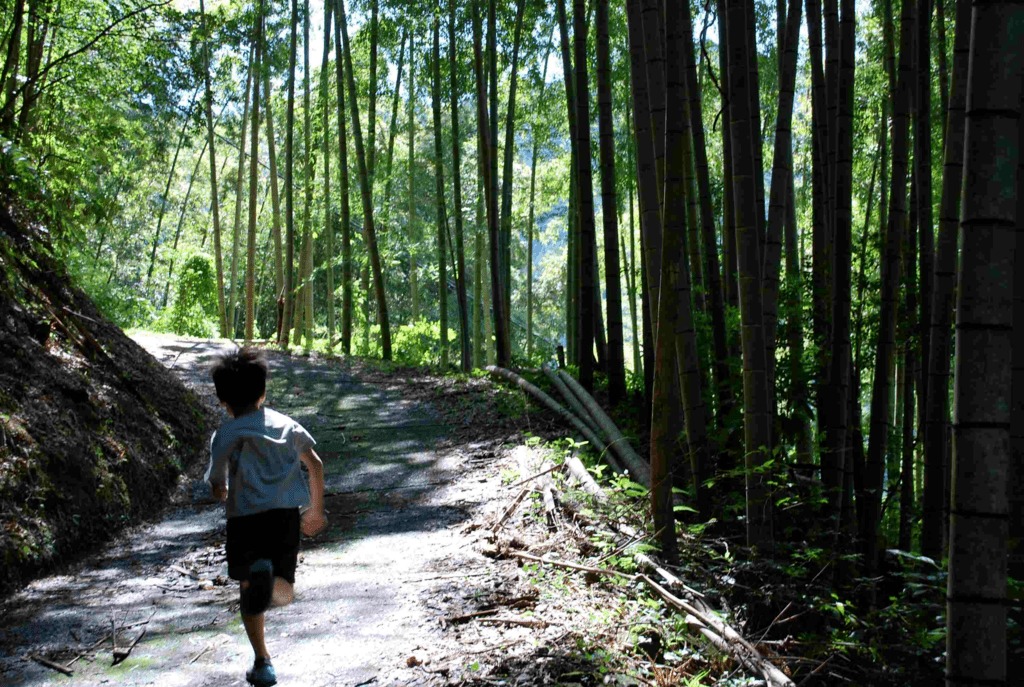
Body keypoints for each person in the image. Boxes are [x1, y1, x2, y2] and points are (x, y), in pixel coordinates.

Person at [205, 347, 327, 687]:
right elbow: (314, 464)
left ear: (223, 401)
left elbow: (217, 481)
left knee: (249, 590)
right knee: (283, 591)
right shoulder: (285, 424)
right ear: (263, 392)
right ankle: (271, 580)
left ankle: (262, 660)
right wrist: (316, 510)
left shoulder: (226, 434)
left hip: (244, 519)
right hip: (284, 518)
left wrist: (221, 490)